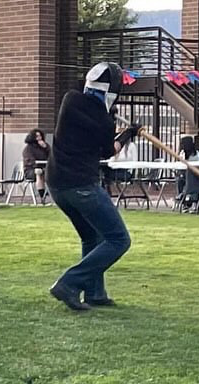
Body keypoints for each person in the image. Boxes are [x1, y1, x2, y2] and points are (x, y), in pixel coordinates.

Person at [46, 62, 140, 311]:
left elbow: (94, 131)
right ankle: (69, 283)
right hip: (81, 185)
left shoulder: (70, 100)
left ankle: (95, 293)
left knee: (92, 237)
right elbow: (110, 151)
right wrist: (129, 133)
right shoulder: (104, 120)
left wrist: (117, 128)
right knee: (118, 239)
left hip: (57, 185)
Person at [22, 128, 50, 203]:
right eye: (37, 136)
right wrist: (37, 164)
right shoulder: (28, 149)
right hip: (30, 170)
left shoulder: (44, 147)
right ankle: (42, 196)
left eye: (40, 136)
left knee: (49, 172)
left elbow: (51, 156)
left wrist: (46, 147)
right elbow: (29, 161)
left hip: (44, 168)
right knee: (38, 172)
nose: (39, 138)